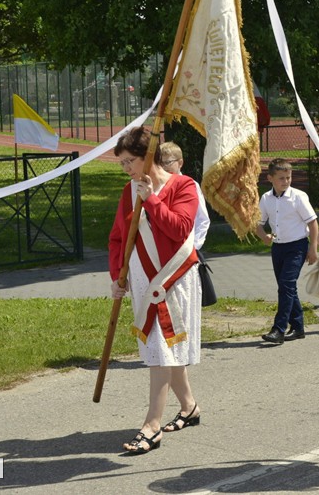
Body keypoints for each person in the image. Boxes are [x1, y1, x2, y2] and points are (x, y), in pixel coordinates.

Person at [108, 127, 203, 454]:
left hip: (173, 282)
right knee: (165, 350)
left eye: (130, 161)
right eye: (122, 163)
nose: (126, 168)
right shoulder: (127, 192)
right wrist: (116, 276)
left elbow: (179, 229)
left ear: (148, 156)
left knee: (163, 349)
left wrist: (152, 199)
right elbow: (118, 237)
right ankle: (189, 407)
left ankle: (152, 426)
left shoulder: (184, 186)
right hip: (140, 281)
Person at [255, 159, 319, 344]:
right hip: (278, 248)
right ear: (270, 178)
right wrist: (263, 236)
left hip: (297, 246)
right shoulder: (266, 198)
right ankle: (298, 327)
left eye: (288, 177)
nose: (286, 181)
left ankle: (278, 329)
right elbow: (258, 224)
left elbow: (313, 223)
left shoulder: (298, 197)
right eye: (281, 178)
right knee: (287, 287)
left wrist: (313, 248)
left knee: (286, 285)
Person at [158, 142, 215, 307]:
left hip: (186, 251)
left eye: (168, 162)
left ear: (180, 163)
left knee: (185, 299)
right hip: (164, 251)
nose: (164, 167)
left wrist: (194, 246)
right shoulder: (158, 185)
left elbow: (203, 220)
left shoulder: (189, 184)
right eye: (160, 163)